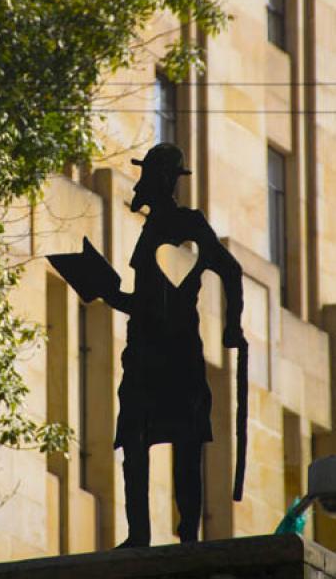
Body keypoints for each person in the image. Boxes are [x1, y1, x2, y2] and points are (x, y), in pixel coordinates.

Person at [100, 143, 245, 546]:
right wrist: (109, 294)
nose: (141, 184)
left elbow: (231, 272)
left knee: (185, 444)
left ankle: (188, 536)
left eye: (148, 176)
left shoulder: (189, 225)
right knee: (133, 439)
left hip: (178, 354)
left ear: (164, 180)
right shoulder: (149, 233)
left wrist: (232, 327)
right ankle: (139, 534)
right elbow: (144, 304)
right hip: (143, 355)